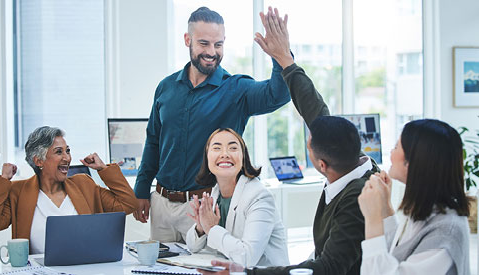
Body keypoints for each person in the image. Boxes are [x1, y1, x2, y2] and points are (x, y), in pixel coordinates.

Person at [198, 7, 378, 275]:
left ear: (321, 164)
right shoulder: (348, 158)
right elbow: (316, 110)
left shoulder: (356, 198)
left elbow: (327, 267)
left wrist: (248, 273)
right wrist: (284, 59)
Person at [133, 7, 291, 242]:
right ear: (188, 40)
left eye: (218, 45)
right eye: (204, 43)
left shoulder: (237, 89)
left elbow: (277, 95)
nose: (211, 52)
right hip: (161, 205)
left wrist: (281, 55)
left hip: (204, 207)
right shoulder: (166, 88)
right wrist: (141, 187)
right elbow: (154, 141)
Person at [0, 126, 139, 254]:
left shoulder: (83, 184)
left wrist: (104, 169)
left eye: (67, 150)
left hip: (85, 268)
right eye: (59, 152)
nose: (67, 158)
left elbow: (128, 204)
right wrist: (3, 181)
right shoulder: (18, 191)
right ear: (39, 160)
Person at [358, 119, 470, 275]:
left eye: (396, 147)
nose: (391, 152)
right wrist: (384, 209)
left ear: (411, 163)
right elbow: (395, 255)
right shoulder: (426, 208)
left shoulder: (446, 233)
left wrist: (373, 219)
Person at [185, 128, 289, 267]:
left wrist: (211, 228)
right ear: (207, 158)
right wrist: (201, 227)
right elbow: (192, 247)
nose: (225, 154)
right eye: (217, 148)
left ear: (243, 157)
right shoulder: (215, 193)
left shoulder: (259, 197)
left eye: (233, 148)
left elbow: (247, 258)